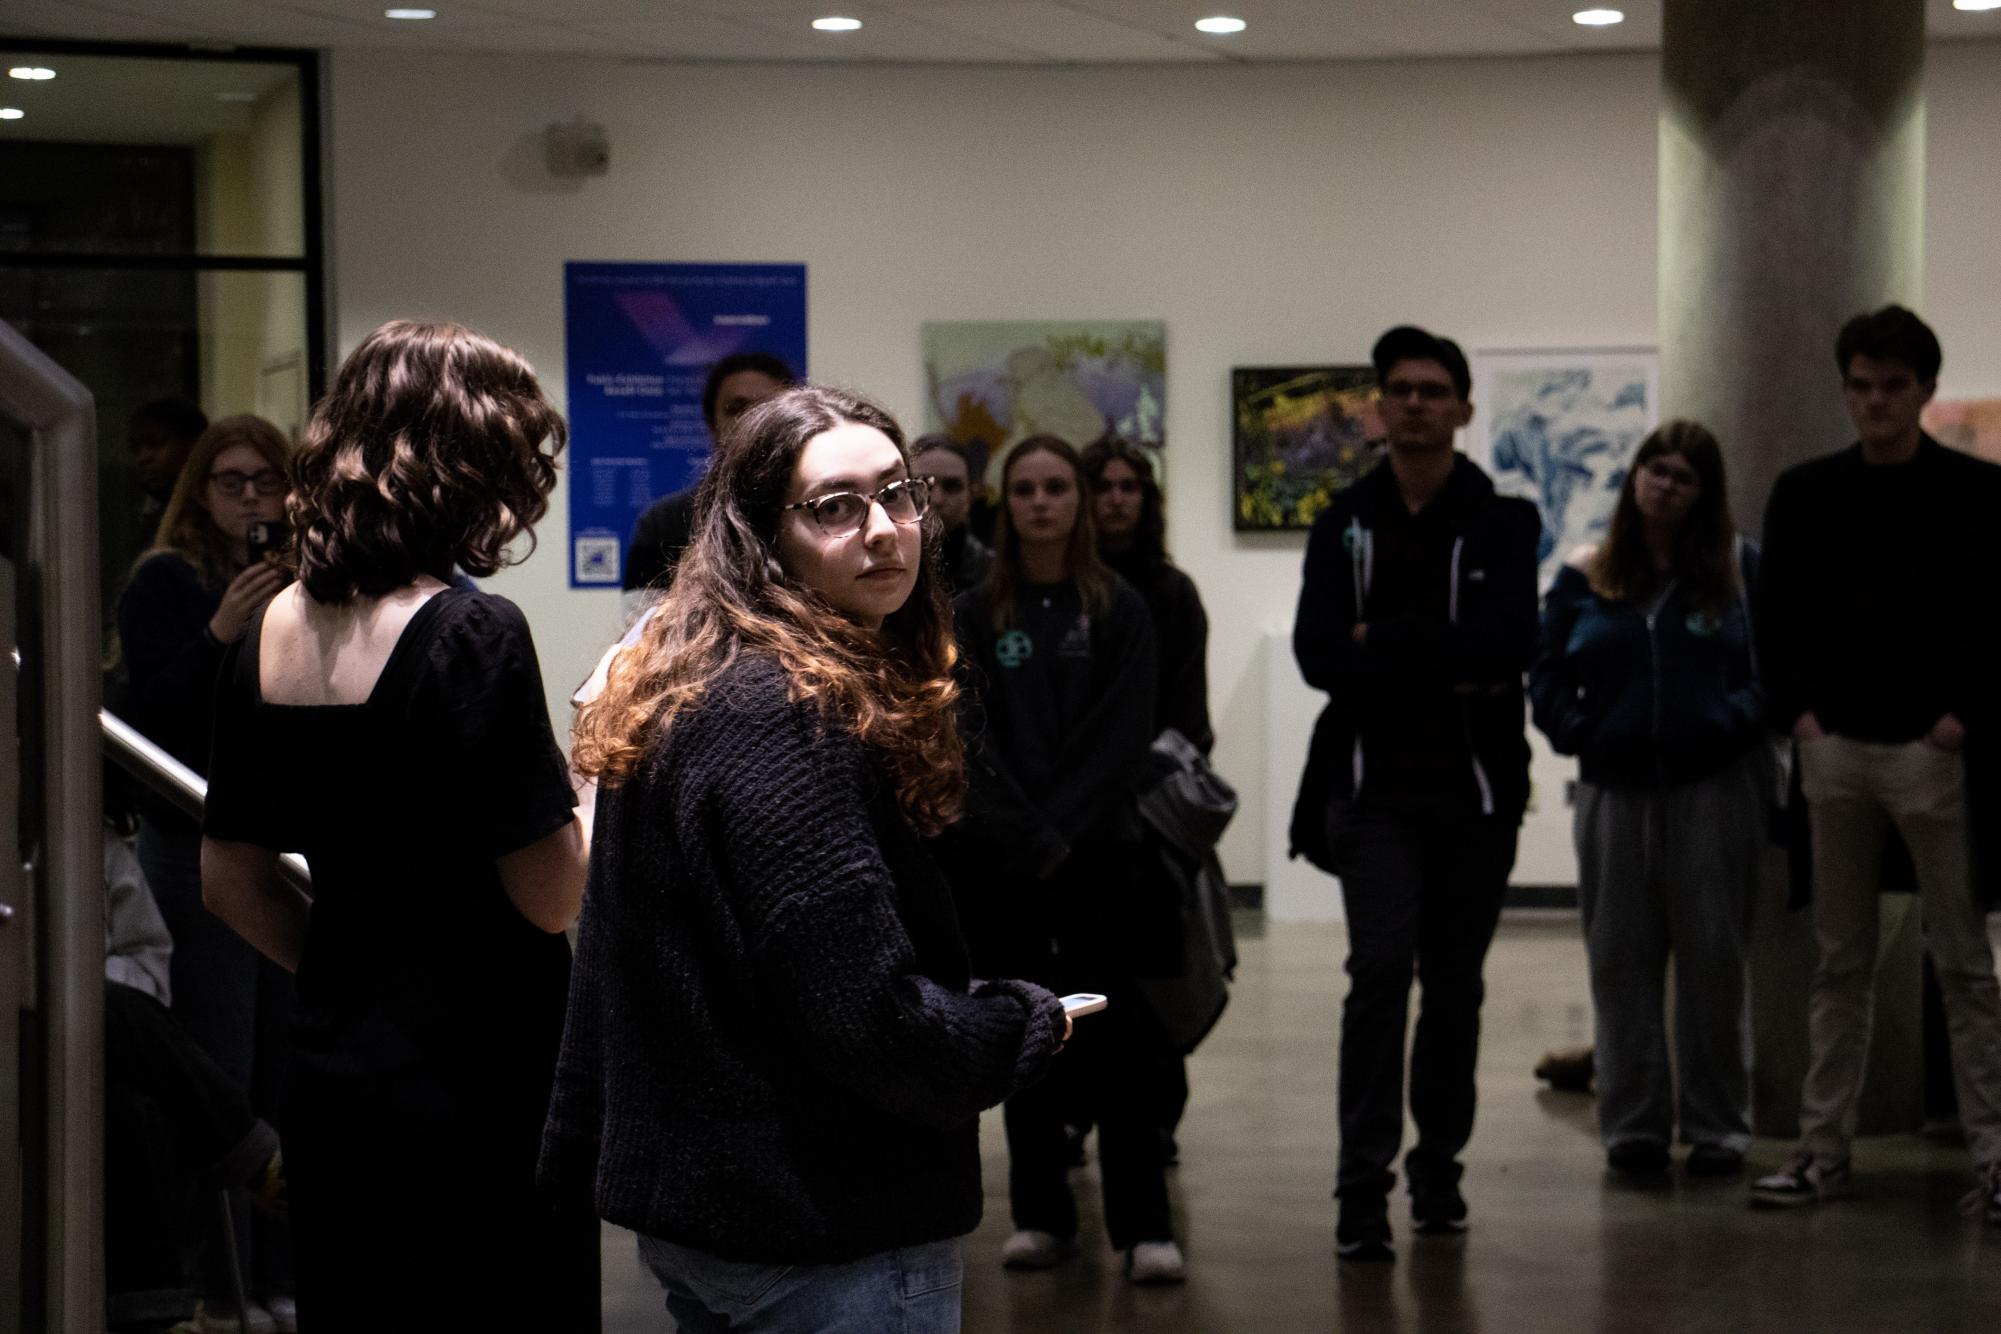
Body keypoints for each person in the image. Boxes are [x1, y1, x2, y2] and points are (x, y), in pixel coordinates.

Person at [549, 385, 1067, 1332]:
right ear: (760, 534)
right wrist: (1017, 1026)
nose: (883, 530)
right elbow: (866, 1018)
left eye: (898, 494)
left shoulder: (691, 675)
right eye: (835, 506)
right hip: (818, 1220)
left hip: (720, 1214)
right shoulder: (783, 714)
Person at [199, 321, 599, 1329]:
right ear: (460, 466)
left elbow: (229, 878)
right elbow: (551, 897)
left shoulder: (273, 625)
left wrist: (352, 971)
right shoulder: (472, 633)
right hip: (488, 1078)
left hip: (337, 1075)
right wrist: (597, 758)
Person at [1290, 325, 1540, 1262]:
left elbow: (1507, 646)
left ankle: (1438, 1169)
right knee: (1378, 976)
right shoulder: (1341, 521)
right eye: (1399, 388)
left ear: (1463, 409)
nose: (1415, 403)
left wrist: (1379, 644)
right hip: (1372, 795)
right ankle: (1361, 1190)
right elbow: (1321, 655)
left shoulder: (1503, 519)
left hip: (1474, 796)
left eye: (1433, 390)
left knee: (1455, 989)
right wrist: (1439, 652)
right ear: (1378, 405)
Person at [1751, 305, 2001, 1226]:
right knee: (1838, 962)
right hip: (1837, 749)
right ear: (1844, 389)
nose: (1876, 403)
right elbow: (1776, 618)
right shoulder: (1806, 492)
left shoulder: (1977, 495)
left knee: (1965, 964)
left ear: (1925, 390)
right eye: (1860, 386)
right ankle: (1822, 1153)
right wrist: (1803, 720)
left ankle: (1994, 1156)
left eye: (1894, 386)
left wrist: (1957, 722)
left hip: (1933, 753)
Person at [948, 435, 1186, 1284]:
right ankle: (1041, 1216)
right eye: (1025, 489)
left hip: (1100, 860)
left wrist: (1060, 833)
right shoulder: (978, 610)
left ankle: (1144, 1230)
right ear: (1004, 505)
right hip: (1009, 865)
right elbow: (967, 738)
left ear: (1077, 501)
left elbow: (1122, 736)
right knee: (1028, 1037)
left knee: (1119, 1049)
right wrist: (1028, 836)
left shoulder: (1118, 607)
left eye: (1056, 488)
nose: (1041, 502)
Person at [1528, 420, 1765, 1180]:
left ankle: (1717, 1127)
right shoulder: (1586, 573)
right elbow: (1546, 675)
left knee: (1712, 960)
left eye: (1684, 476)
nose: (1666, 485)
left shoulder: (1736, 570)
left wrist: (1722, 727)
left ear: (1704, 493)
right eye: (1655, 470)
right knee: (1619, 961)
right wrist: (1578, 732)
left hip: (1712, 790)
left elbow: (1771, 672)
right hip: (1613, 793)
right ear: (1633, 479)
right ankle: (1631, 1126)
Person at [114, 412, 295, 1325]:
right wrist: (223, 629)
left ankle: (280, 1277)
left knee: (283, 1070)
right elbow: (147, 721)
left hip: (287, 844)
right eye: (232, 482)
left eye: (268, 481)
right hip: (191, 844)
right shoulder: (165, 580)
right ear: (200, 489)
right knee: (217, 1074)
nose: (252, 500)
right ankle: (220, 1284)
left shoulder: (305, 577)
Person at [621, 350, 797, 611]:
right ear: (712, 425)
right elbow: (642, 628)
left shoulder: (820, 511)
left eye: (766, 408)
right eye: (736, 408)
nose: (751, 419)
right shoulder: (663, 522)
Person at [911, 434, 993, 592]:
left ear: (970, 496)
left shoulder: (994, 573)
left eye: (952, 486)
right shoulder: (885, 565)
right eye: (923, 484)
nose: (937, 499)